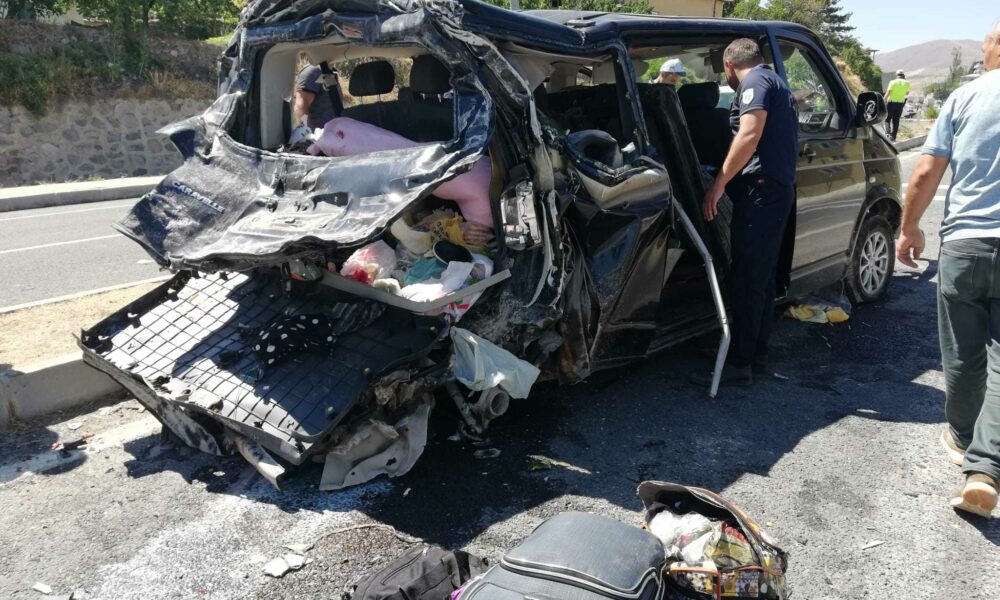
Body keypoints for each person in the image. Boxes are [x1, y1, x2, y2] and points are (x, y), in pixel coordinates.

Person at [896, 20, 1000, 518]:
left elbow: (925, 171)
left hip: (964, 244)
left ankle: (963, 439)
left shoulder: (966, 97)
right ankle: (985, 467)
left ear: (997, 48)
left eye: (985, 48)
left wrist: (909, 228)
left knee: (962, 350)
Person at [697, 38, 799, 387]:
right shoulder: (775, 81)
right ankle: (754, 349)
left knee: (749, 276)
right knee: (762, 275)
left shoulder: (755, 83)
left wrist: (719, 184)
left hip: (761, 192)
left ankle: (739, 362)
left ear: (729, 64)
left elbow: (749, 135)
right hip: (773, 191)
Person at [293, 61, 344, 131]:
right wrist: (306, 133)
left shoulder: (328, 71)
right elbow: (301, 106)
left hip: (334, 134)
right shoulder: (314, 71)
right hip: (319, 135)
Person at [883, 69, 910, 141]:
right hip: (900, 104)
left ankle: (888, 134)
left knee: (887, 119)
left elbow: (888, 92)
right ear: (903, 75)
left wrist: (883, 100)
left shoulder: (892, 82)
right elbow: (907, 93)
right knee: (896, 120)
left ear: (896, 75)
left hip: (891, 103)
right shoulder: (907, 83)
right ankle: (893, 137)